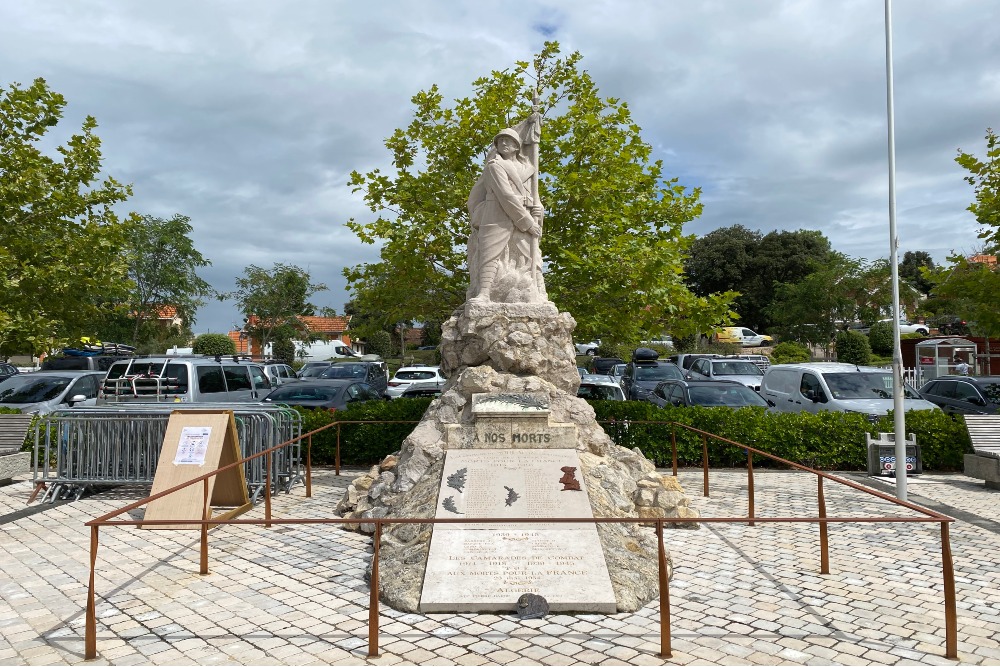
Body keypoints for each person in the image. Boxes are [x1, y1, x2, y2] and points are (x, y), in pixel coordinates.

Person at [467, 127, 544, 303]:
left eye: (508, 140)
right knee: (489, 253)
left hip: (525, 212)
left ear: (517, 146)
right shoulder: (495, 166)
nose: (503, 143)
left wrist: (539, 209)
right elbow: (505, 195)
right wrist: (527, 222)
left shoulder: (528, 169)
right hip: (497, 214)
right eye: (500, 141)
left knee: (533, 256)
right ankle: (484, 294)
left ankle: (538, 293)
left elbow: (533, 196)